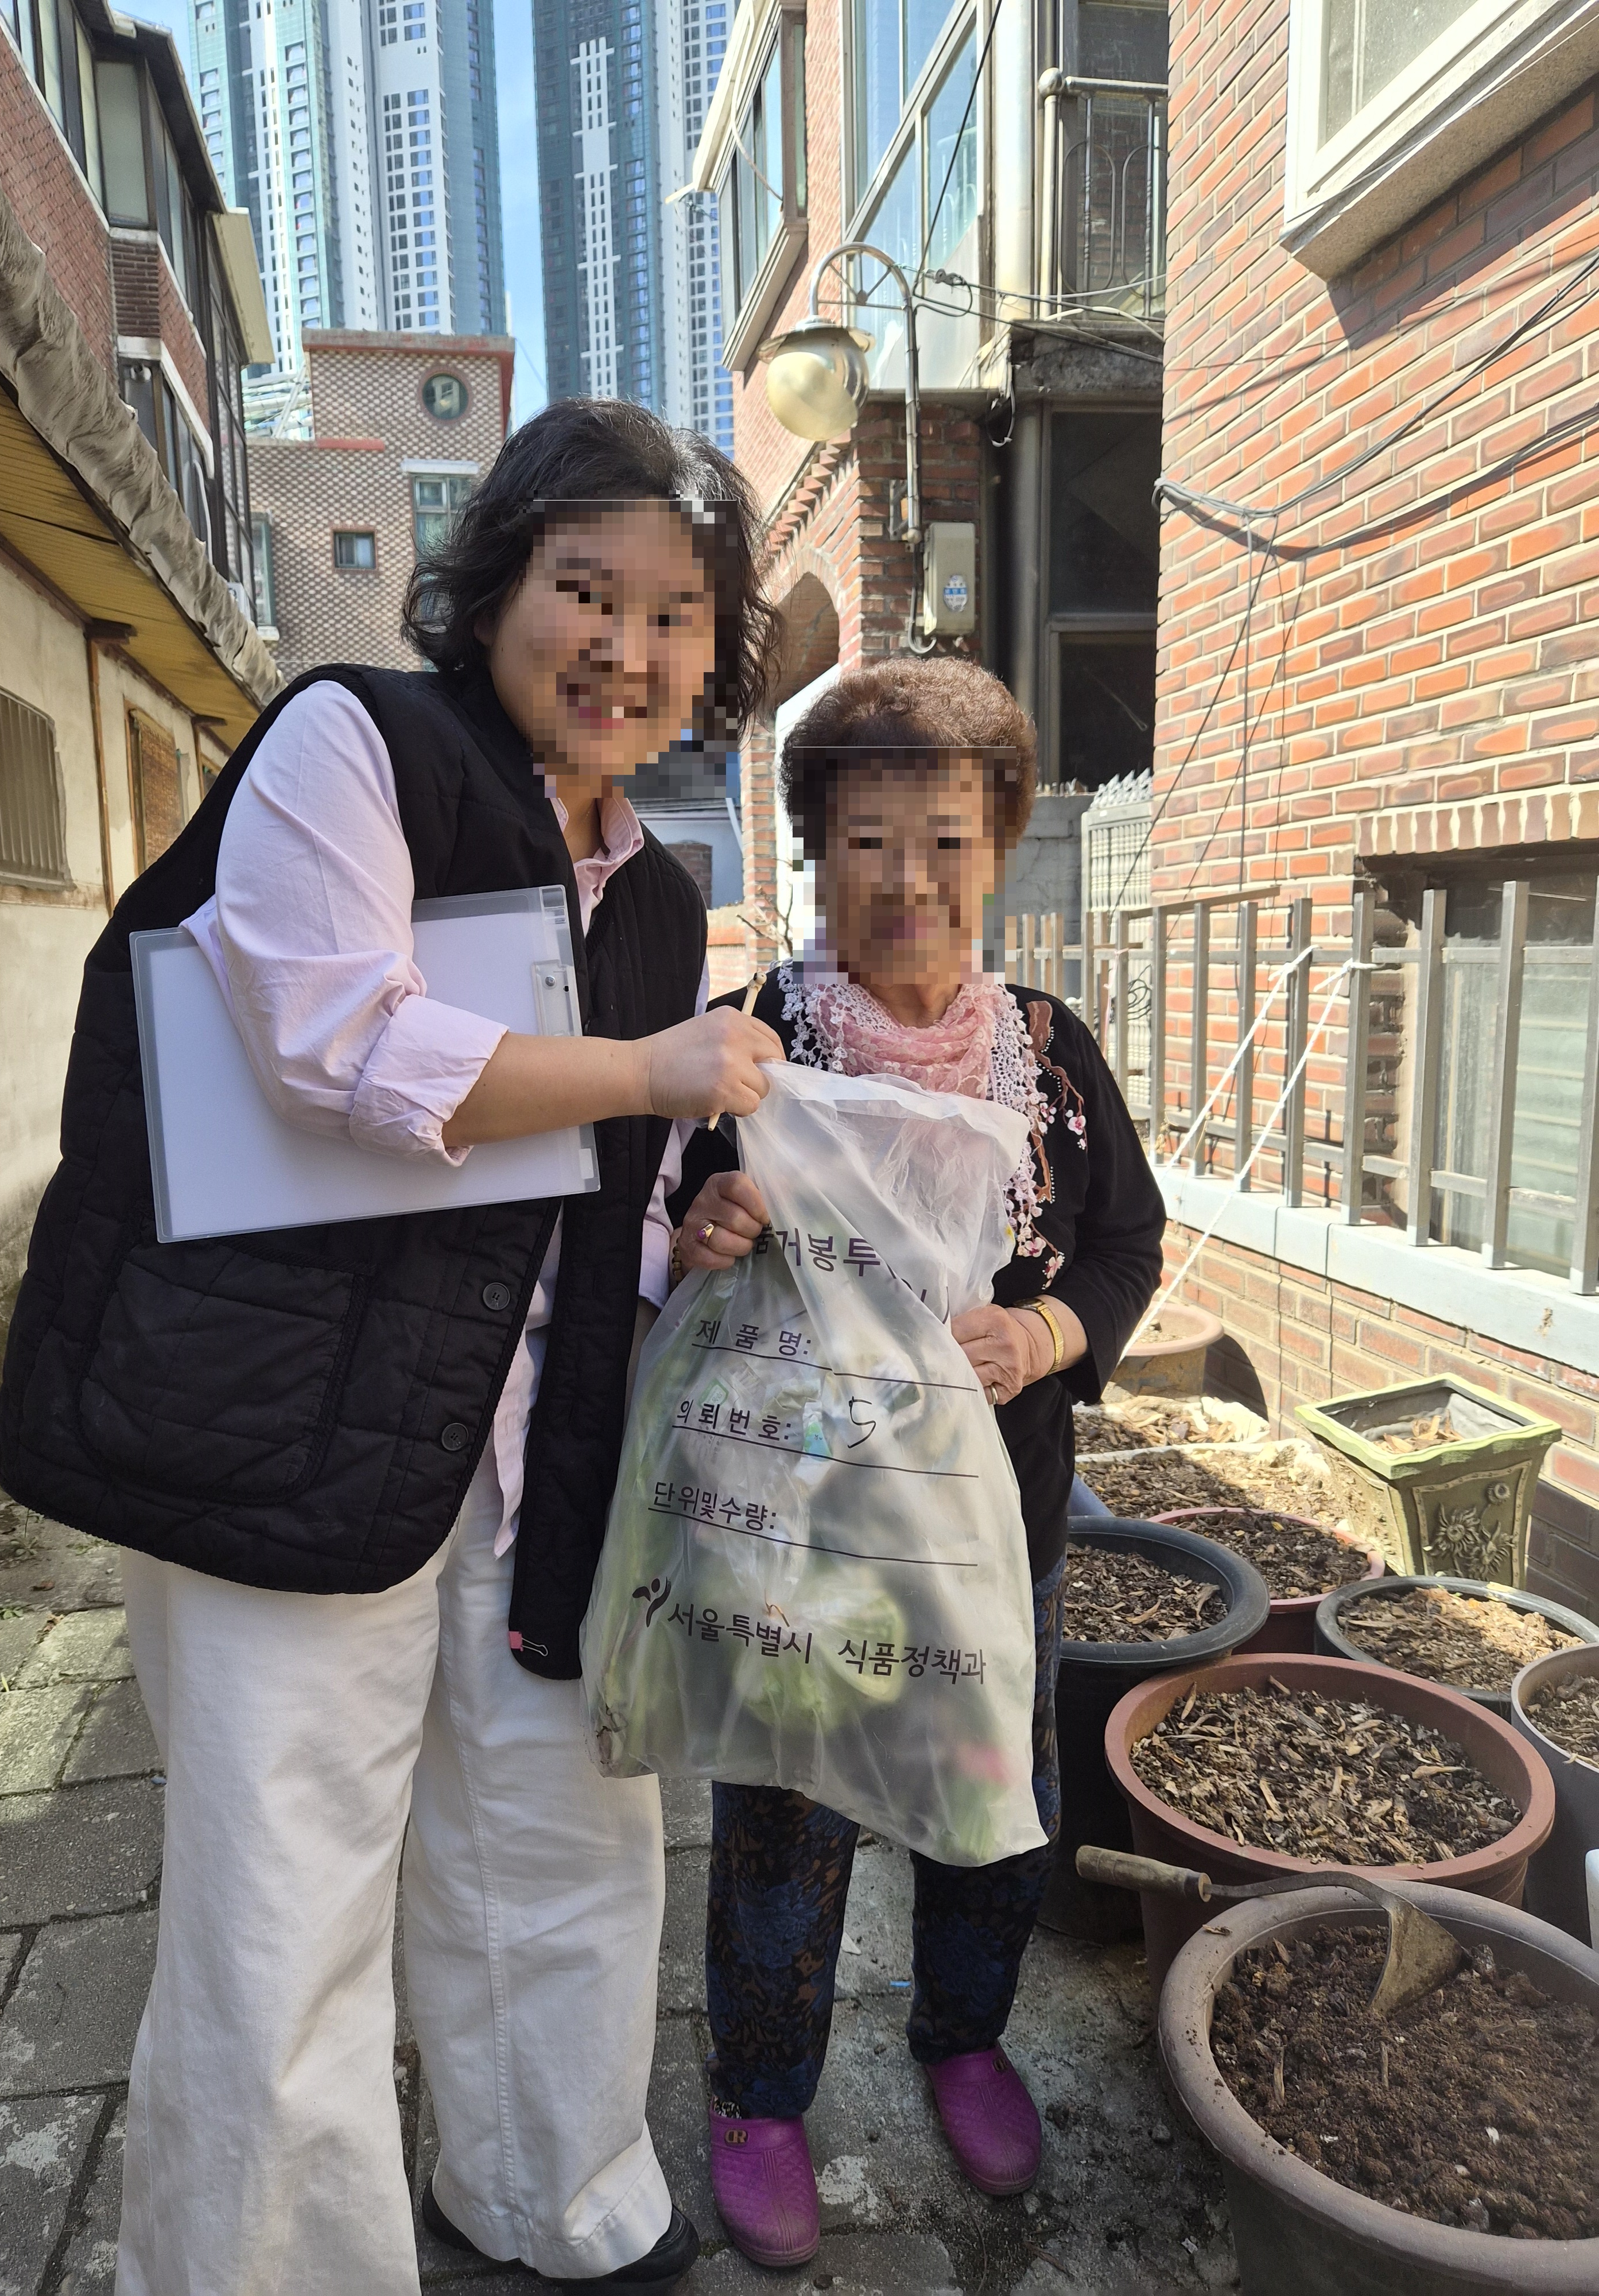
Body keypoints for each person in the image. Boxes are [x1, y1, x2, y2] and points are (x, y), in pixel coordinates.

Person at [0, 401, 785, 2295]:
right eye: (584, 590)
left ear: (714, 655)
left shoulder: (658, 894)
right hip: (277, 1420)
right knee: (285, 1903)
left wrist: (684, 1228)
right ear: (492, 589)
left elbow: (599, 1195)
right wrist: (647, 1072)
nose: (626, 646)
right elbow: (333, 1043)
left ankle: (551, 2190)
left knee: (567, 1832)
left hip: (528, 1446)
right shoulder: (357, 745)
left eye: (675, 615)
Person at [669, 657, 1166, 2268]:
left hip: (996, 1522)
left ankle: (963, 2037)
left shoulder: (1050, 1056)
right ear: (817, 850)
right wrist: (705, 1228)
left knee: (989, 1790)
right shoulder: (755, 1045)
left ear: (1000, 845)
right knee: (785, 1815)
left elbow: (1129, 1243)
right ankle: (761, 2093)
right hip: (799, 1525)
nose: (907, 878)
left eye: (947, 839)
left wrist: (1047, 1335)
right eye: (868, 838)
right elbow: (675, 1235)